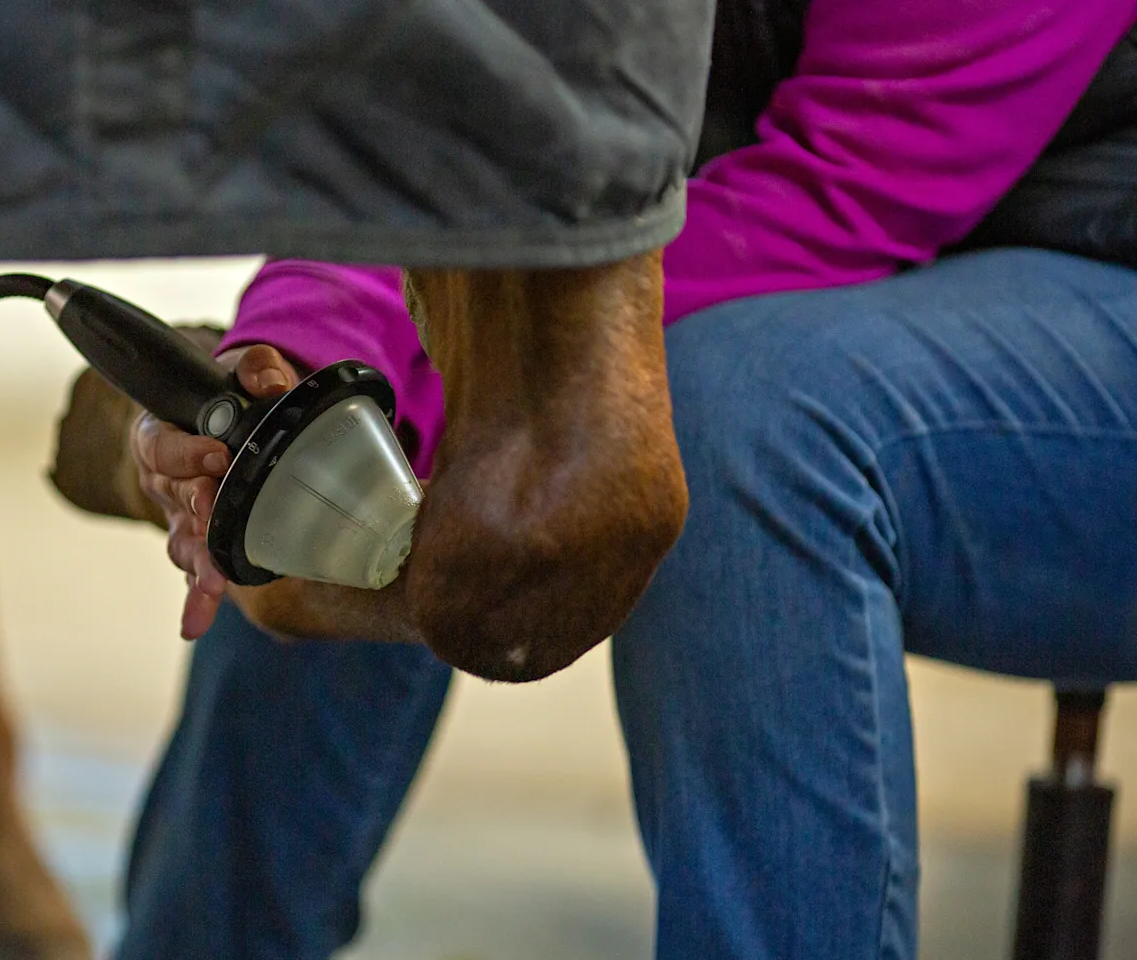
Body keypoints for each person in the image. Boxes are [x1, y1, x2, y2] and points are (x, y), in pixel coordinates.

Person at [104, 2, 1137, 957]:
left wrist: (440, 377)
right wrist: (297, 366)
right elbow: (449, 101)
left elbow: (849, 183)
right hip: (886, 260)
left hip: (1087, 271)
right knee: (322, 450)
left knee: (738, 417)